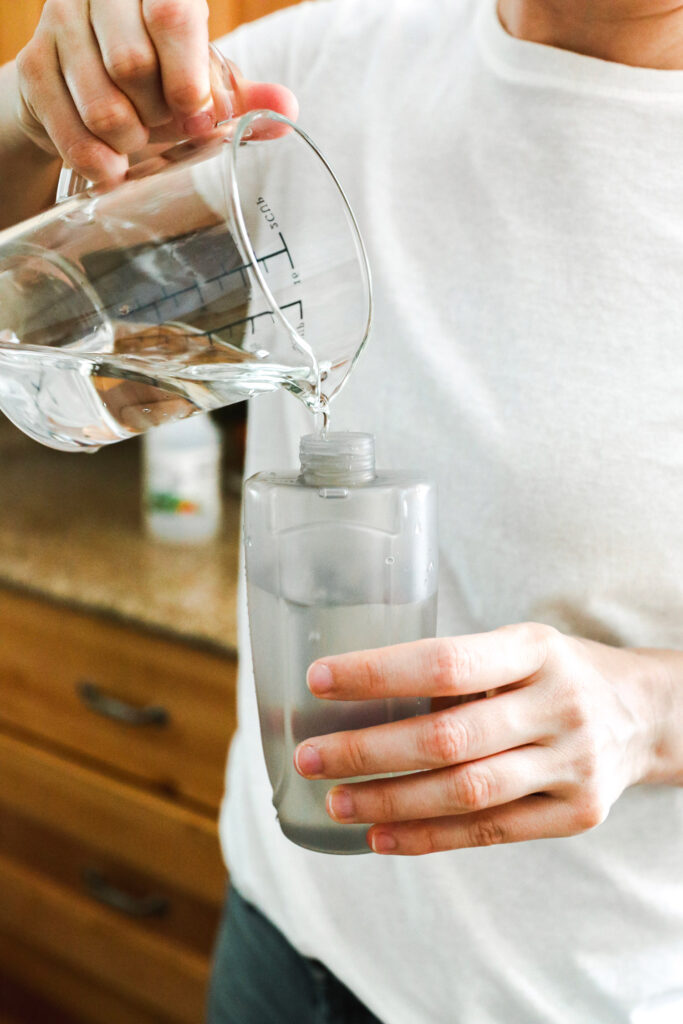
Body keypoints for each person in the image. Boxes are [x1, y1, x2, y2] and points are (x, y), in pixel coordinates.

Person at [1, 1, 683, 1021]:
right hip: (279, 939)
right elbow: (34, 281)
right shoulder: (313, 67)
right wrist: (28, 109)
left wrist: (651, 714)